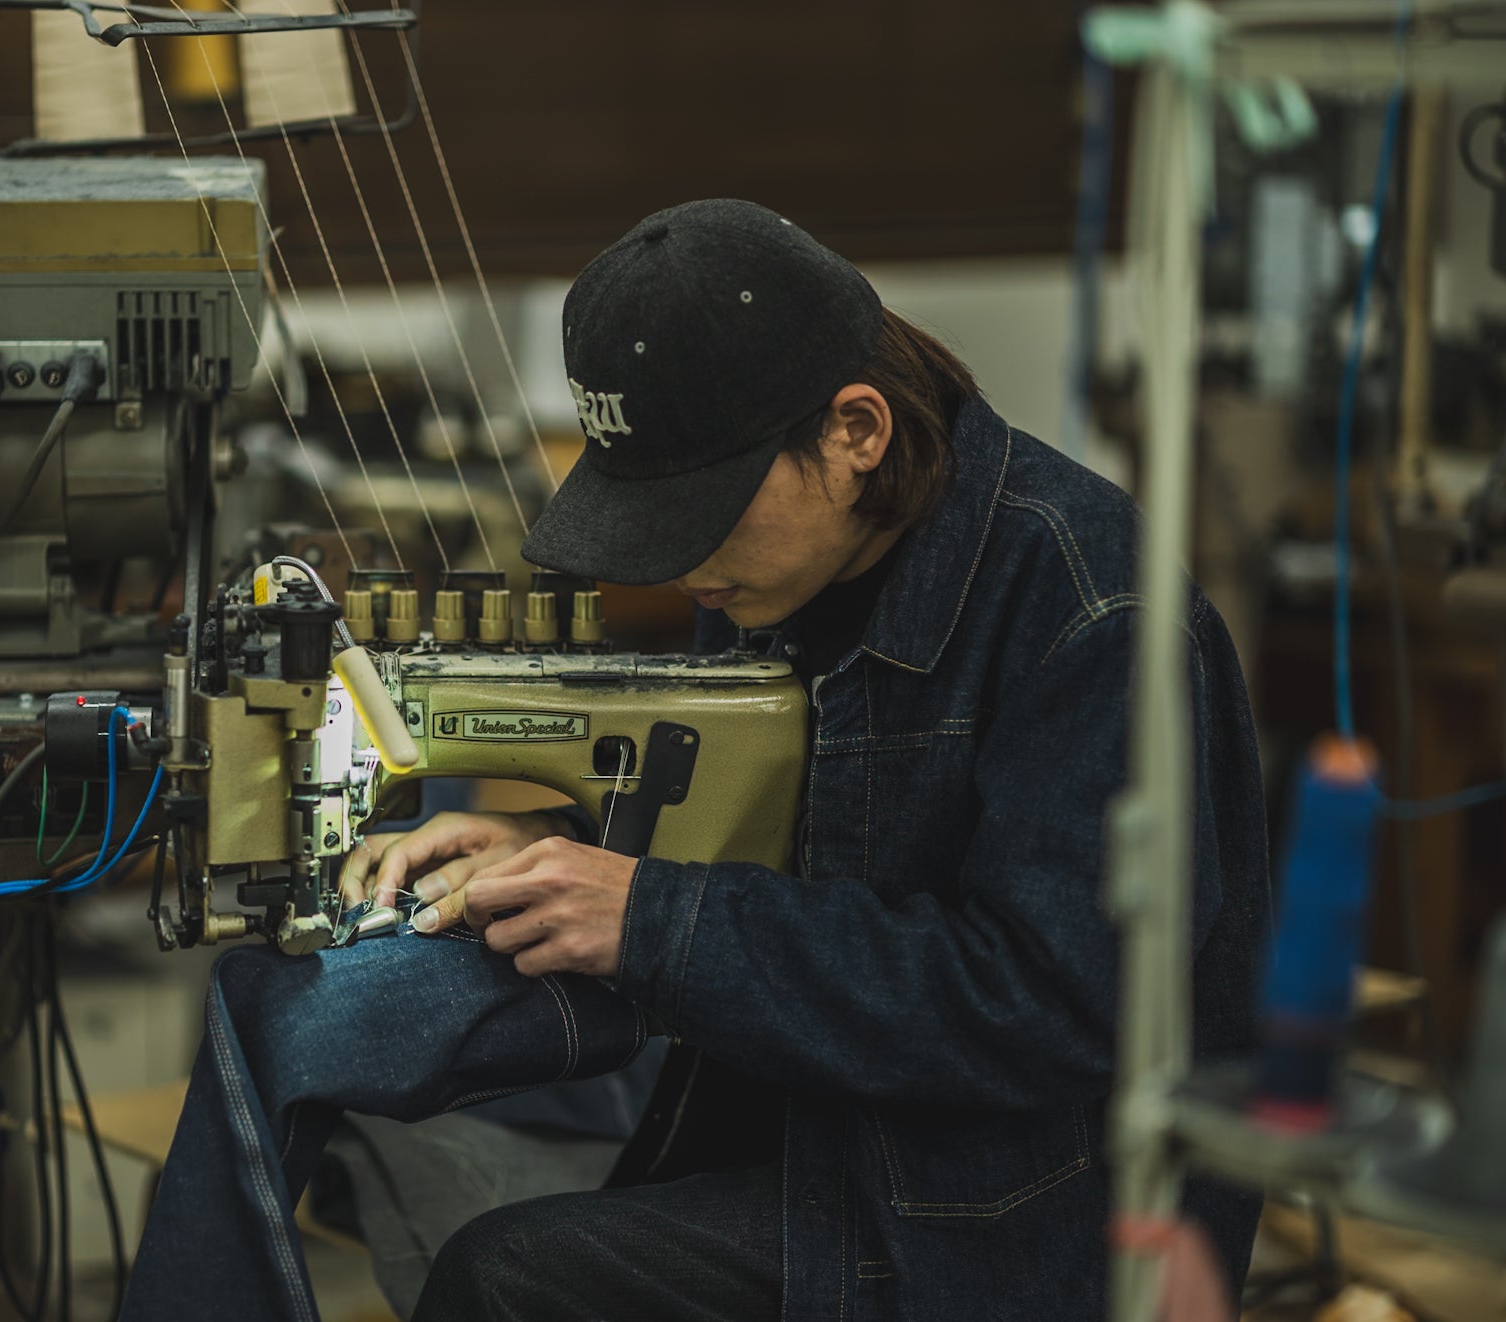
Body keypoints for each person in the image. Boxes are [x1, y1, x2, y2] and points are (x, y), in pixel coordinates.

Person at [120, 199, 1270, 1321]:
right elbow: (781, 842)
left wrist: (652, 918)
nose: (681, 574)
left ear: (855, 432)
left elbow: (1053, 1002)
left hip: (1012, 1213)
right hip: (822, 1113)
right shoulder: (781, 568)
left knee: (508, 1276)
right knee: (358, 1082)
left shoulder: (1088, 614)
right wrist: (560, 847)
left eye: (702, 518)